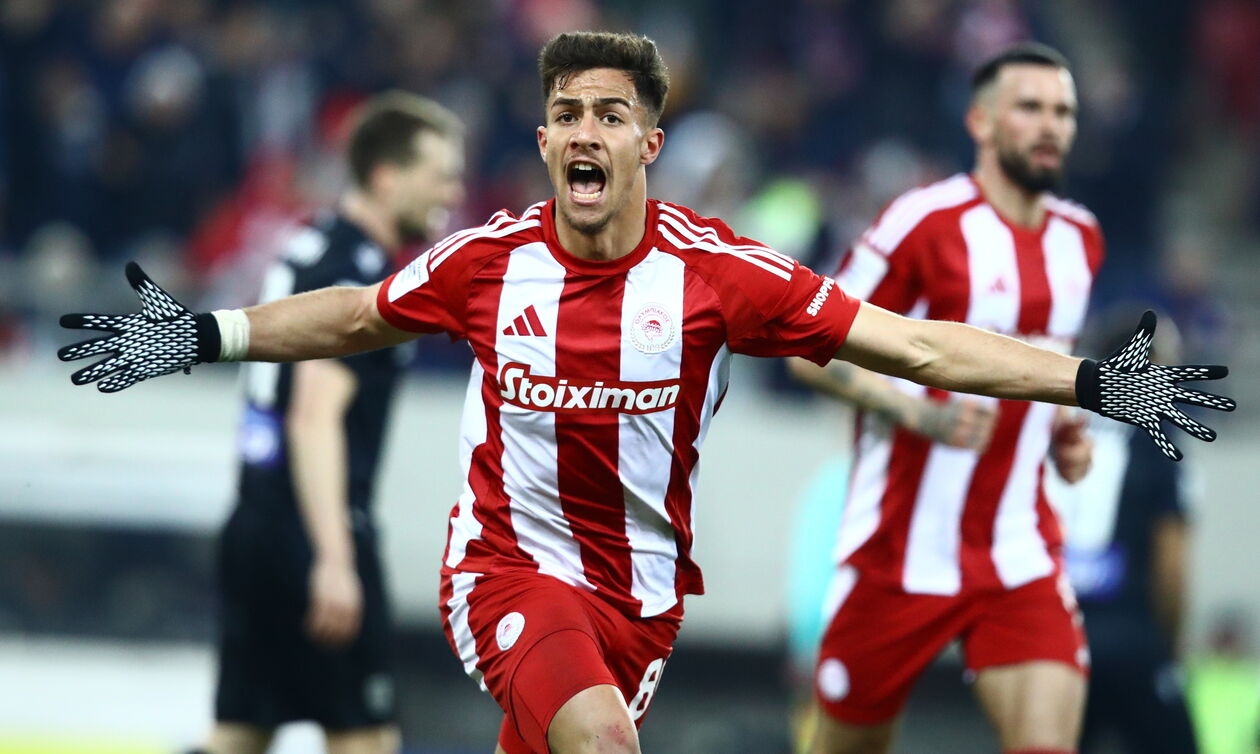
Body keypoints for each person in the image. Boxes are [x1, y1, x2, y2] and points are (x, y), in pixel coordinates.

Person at [59, 32, 1232, 754]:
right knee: (602, 741)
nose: (586, 132)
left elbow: (917, 345)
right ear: (543, 139)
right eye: (567, 114)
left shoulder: (721, 275)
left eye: (610, 115)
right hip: (507, 569)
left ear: (648, 144)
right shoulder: (486, 261)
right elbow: (357, 314)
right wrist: (204, 332)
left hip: (643, 597)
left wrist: (1092, 382)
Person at [786, 43, 1123, 754]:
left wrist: (1064, 432)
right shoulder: (923, 221)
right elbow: (809, 349)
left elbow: (1044, 363)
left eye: (1063, 111)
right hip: (898, 550)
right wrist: (918, 412)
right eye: (1030, 107)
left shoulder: (1081, 239)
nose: (1051, 125)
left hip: (1019, 547)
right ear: (981, 121)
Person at [199, 92, 466, 754]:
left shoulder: (309, 243)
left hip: (256, 522)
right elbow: (314, 416)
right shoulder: (357, 274)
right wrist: (335, 559)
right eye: (439, 175)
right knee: (365, 738)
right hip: (315, 532)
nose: (452, 193)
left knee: (241, 732)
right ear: (387, 177)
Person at [1048, 310, 1199, 754]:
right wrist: (1169, 644)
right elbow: (1171, 562)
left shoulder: (1062, 424)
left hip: (1054, 630)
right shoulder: (1158, 437)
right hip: (1130, 633)